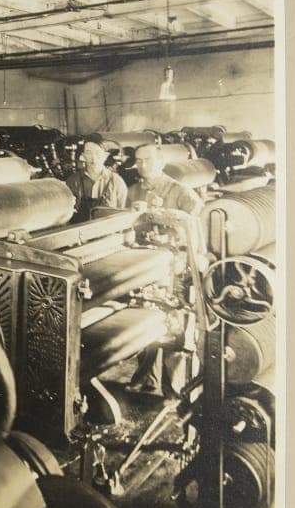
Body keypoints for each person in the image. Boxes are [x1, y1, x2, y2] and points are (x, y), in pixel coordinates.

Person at [125, 143, 203, 398]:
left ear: (160, 162)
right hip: (145, 265)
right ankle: (146, 377)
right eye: (138, 160)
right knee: (146, 317)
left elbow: (194, 219)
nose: (141, 165)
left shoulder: (180, 191)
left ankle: (173, 388)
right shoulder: (134, 190)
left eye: (146, 160)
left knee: (174, 326)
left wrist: (160, 213)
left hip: (174, 268)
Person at [127, 143, 203, 215]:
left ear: (161, 163)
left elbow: (195, 225)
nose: (143, 165)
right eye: (139, 161)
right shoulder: (132, 192)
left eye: (148, 160)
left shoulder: (182, 192)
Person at [67, 141, 128, 221]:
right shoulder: (73, 181)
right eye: (88, 153)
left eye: (98, 153)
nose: (93, 158)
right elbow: (66, 215)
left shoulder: (117, 182)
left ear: (105, 155)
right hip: (80, 231)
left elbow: (123, 216)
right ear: (83, 156)